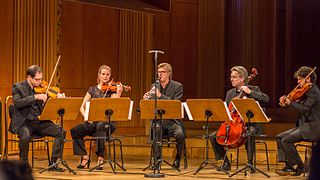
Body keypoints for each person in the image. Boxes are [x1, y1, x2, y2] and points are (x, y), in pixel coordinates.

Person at [208, 66, 269, 172]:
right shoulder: (230, 93)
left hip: (251, 125)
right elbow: (227, 111)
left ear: (242, 79)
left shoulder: (254, 89)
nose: (231, 79)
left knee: (249, 133)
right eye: (231, 77)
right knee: (213, 136)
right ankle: (225, 162)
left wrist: (250, 92)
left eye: (234, 77)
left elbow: (266, 99)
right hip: (234, 124)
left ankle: (250, 164)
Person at [10, 65, 66, 171]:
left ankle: (53, 163)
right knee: (25, 135)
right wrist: (35, 97)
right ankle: (23, 165)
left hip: (39, 122)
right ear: (29, 77)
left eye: (41, 79)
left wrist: (55, 100)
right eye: (37, 79)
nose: (40, 82)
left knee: (61, 131)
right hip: (24, 122)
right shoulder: (18, 87)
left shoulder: (42, 89)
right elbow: (17, 103)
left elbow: (47, 110)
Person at [70, 65, 123, 170]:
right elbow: (82, 105)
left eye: (108, 74)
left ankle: (100, 157)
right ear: (99, 75)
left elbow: (116, 105)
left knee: (101, 125)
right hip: (93, 122)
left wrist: (119, 93)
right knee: (75, 130)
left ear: (110, 76)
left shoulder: (112, 90)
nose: (105, 76)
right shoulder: (92, 89)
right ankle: (84, 157)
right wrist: (86, 116)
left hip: (108, 123)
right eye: (103, 74)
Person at [275, 66, 320, 176]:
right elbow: (298, 105)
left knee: (286, 140)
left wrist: (290, 103)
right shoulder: (305, 91)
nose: (298, 82)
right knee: (279, 137)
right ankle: (289, 165)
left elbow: (304, 109)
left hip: (312, 128)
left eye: (300, 79)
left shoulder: (313, 91)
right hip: (304, 126)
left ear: (308, 79)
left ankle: (301, 167)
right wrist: (286, 102)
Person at [143, 62, 185, 170]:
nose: (160, 74)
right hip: (158, 121)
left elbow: (175, 104)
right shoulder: (154, 86)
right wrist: (146, 100)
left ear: (169, 73)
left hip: (172, 121)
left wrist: (160, 96)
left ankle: (177, 159)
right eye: (159, 72)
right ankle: (157, 160)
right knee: (155, 129)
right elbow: (152, 105)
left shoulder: (177, 86)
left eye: (163, 72)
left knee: (180, 134)